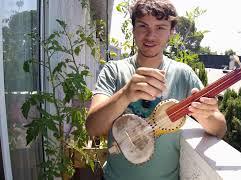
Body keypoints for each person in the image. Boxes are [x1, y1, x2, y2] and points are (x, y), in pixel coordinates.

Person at [85, 0, 226, 179]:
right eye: (143, 26)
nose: (151, 35)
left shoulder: (183, 74)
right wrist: (125, 94)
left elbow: (219, 129)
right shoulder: (114, 70)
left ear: (171, 32)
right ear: (134, 29)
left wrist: (206, 115)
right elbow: (93, 127)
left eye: (160, 27)